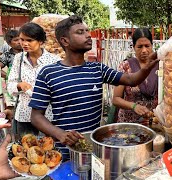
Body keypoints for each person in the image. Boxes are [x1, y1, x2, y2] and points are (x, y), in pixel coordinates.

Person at [29, 15, 158, 160]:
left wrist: (146, 69)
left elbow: (130, 79)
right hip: (63, 152)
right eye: (80, 32)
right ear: (65, 40)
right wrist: (60, 134)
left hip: (94, 150)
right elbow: (35, 116)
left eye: (87, 31)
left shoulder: (98, 69)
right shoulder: (48, 73)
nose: (88, 35)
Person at [7, 22, 61, 137]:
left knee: (48, 150)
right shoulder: (18, 59)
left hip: (47, 117)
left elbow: (60, 90)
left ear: (40, 41)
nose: (24, 43)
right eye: (22, 39)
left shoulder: (54, 61)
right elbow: (10, 85)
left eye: (29, 40)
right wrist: (19, 85)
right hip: (24, 115)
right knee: (25, 150)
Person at [112, 28, 158, 124]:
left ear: (152, 45)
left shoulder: (161, 65)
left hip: (154, 123)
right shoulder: (125, 66)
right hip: (129, 124)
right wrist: (134, 106)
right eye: (139, 47)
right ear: (133, 47)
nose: (144, 50)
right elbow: (116, 99)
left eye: (147, 46)